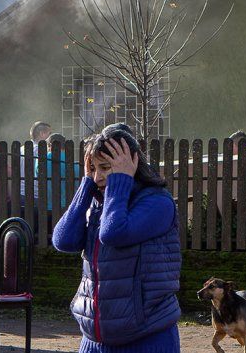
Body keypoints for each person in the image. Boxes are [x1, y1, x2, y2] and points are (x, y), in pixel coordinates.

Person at [52, 123, 181, 352]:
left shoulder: (158, 203)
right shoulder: (100, 202)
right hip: (94, 340)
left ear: (131, 164)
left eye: (106, 167)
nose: (98, 177)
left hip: (146, 338)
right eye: (93, 168)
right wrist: (86, 187)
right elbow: (63, 240)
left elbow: (113, 233)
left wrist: (120, 180)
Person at [20, 121, 52, 211]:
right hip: (36, 194)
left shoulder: (21, 149)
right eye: (49, 133)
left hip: (21, 193)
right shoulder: (41, 150)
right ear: (42, 134)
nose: (50, 137)